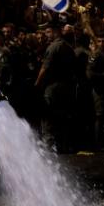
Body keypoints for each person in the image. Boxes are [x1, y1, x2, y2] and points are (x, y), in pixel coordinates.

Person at [34, 20, 76, 153]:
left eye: (48, 32)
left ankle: (48, 149)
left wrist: (37, 84)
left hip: (52, 87)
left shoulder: (53, 47)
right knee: (62, 118)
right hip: (66, 87)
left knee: (48, 119)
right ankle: (62, 146)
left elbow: (45, 68)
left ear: (56, 32)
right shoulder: (68, 47)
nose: (46, 34)